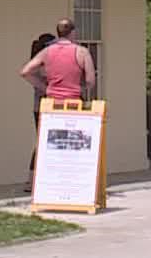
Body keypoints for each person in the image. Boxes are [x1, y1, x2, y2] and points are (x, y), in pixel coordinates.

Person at [20, 19, 95, 105]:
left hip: (52, 103)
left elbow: (24, 72)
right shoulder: (82, 52)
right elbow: (90, 81)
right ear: (73, 32)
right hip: (73, 102)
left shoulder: (47, 51)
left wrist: (45, 88)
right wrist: (80, 89)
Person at [24, 32, 56, 174]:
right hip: (44, 106)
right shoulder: (41, 64)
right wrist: (48, 89)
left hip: (42, 106)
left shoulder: (41, 62)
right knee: (44, 142)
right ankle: (33, 178)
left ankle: (35, 177)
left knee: (44, 142)